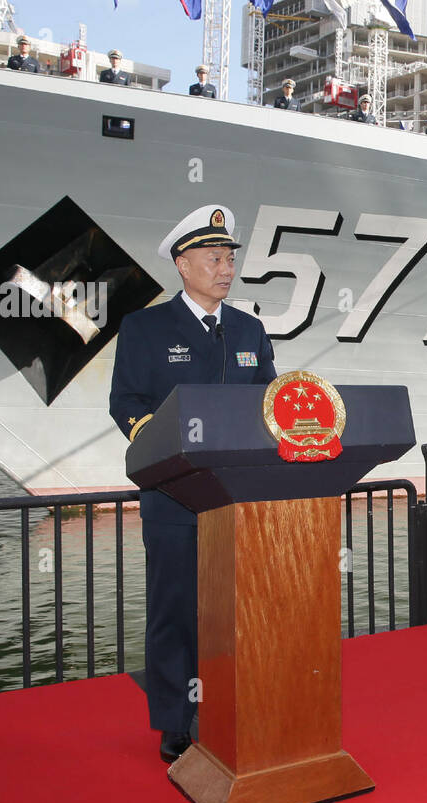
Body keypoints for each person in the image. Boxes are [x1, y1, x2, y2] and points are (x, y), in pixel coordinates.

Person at [108, 205, 278, 763]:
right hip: (174, 496)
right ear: (183, 265)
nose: (226, 268)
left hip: (235, 498)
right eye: (213, 258)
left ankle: (234, 706)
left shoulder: (250, 330)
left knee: (236, 609)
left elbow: (269, 403)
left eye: (230, 258)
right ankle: (176, 722)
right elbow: (125, 402)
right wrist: (161, 443)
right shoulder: (145, 327)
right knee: (175, 611)